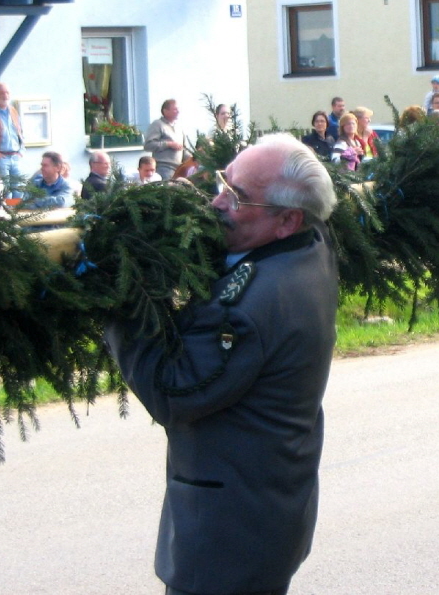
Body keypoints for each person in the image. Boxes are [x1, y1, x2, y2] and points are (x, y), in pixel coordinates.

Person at [105, 133, 338, 595]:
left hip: (229, 537)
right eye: (223, 183)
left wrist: (121, 295)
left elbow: (172, 392)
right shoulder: (310, 243)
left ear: (287, 219)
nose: (215, 203)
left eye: (237, 197)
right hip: (266, 510)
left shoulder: (248, 310)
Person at [0, 82, 25, 198]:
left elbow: (21, 133)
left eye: (7, 93)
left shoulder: (14, 111)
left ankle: (17, 212)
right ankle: (9, 212)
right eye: (1, 93)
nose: (5, 95)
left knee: (19, 188)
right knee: (5, 190)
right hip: (1, 157)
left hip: (16, 156)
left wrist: (21, 151)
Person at [144, 99, 192, 180]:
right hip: (164, 168)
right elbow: (148, 145)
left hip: (179, 170)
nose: (178, 112)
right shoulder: (157, 124)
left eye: (178, 109)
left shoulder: (179, 127)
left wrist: (195, 159)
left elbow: (184, 150)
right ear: (165, 111)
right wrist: (168, 144)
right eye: (175, 109)